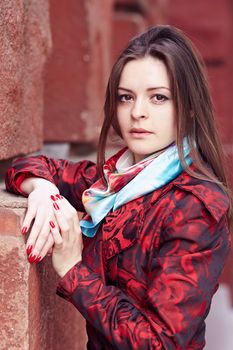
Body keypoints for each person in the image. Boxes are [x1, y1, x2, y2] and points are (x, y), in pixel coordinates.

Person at [5, 25, 232, 349]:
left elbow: (161, 342)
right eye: (126, 97)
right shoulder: (116, 181)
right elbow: (27, 166)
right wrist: (43, 190)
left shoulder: (194, 209)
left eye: (158, 97)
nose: (137, 113)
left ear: (189, 105)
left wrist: (73, 269)